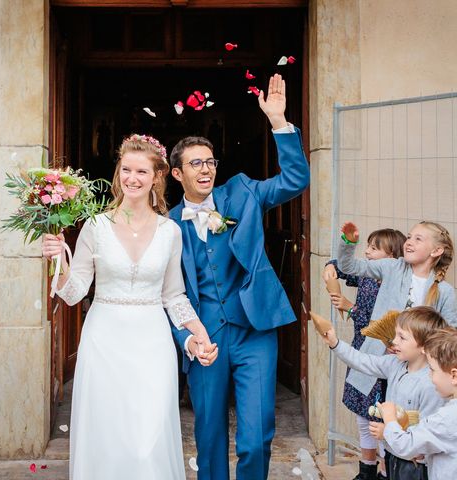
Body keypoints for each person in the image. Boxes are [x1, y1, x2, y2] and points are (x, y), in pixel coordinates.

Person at [42, 134, 217, 479]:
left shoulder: (170, 232)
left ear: (157, 177)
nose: (132, 178)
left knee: (147, 440)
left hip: (152, 343)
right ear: (118, 173)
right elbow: (75, 292)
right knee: (107, 436)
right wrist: (57, 259)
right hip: (104, 340)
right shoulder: (95, 226)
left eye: (141, 171)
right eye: (126, 170)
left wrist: (199, 333)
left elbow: (174, 296)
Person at [168, 73, 310, 480]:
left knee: (256, 435)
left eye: (210, 161)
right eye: (195, 163)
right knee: (208, 435)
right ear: (177, 174)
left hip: (254, 331)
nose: (206, 169)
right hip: (205, 335)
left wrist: (279, 123)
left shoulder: (243, 192)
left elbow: (295, 181)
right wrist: (188, 339)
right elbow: (166, 293)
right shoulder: (167, 226)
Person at [336, 220, 457, 404]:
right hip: (378, 358)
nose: (409, 242)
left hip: (417, 368)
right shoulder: (392, 267)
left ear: (436, 251)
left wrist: (424, 350)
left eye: (418, 239)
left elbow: (449, 335)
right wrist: (348, 243)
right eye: (409, 237)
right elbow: (350, 267)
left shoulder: (445, 292)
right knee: (367, 420)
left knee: (400, 418)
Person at [321, 307, 448, 479]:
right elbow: (362, 361)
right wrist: (335, 344)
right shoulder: (394, 364)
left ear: (424, 346)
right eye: (396, 335)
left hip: (414, 466)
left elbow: (424, 436)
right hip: (392, 455)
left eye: (402, 337)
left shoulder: (431, 385)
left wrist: (387, 433)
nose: (394, 341)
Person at [323, 228, 406, 480]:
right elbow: (345, 266)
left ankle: (383, 469)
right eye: (367, 246)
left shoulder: (398, 284)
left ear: (392, 256)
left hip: (384, 356)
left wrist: (351, 309)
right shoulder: (367, 276)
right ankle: (366, 468)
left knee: (380, 414)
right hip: (361, 349)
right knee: (363, 412)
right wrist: (330, 265)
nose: (367, 252)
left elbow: (384, 323)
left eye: (374, 248)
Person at [379, 327, 457, 480]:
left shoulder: (446, 419)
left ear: (454, 375)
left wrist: (389, 420)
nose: (429, 375)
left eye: (433, 370)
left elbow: (405, 445)